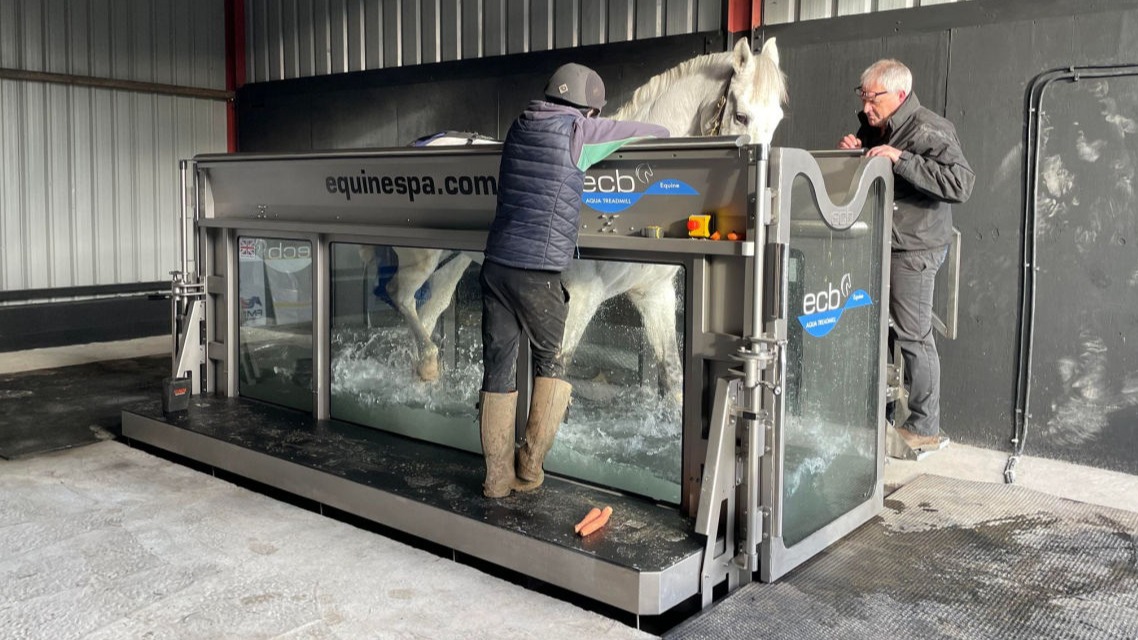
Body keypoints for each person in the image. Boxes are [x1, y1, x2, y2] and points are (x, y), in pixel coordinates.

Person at [477, 63, 670, 498]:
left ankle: (495, 480)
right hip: (538, 271)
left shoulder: (520, 124)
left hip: (496, 266)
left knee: (498, 368)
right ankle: (529, 471)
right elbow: (649, 131)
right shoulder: (578, 133)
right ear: (587, 109)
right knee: (552, 363)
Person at [839, 59, 974, 451]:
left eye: (872, 98)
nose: (865, 107)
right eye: (862, 97)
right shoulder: (875, 128)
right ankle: (876, 419)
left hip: (914, 248)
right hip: (882, 243)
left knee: (914, 337)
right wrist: (852, 153)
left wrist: (902, 159)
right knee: (875, 332)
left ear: (899, 95)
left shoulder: (929, 128)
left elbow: (961, 183)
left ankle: (924, 426)